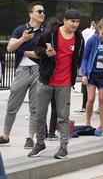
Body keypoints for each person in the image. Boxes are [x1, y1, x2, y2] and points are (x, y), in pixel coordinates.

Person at [28, 9, 84, 159]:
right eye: (72, 21)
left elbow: (79, 58)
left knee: (63, 117)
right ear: (64, 20)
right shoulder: (50, 33)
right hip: (45, 80)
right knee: (39, 115)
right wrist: (45, 54)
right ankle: (39, 144)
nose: (75, 25)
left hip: (64, 83)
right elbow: (37, 48)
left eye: (78, 22)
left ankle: (63, 147)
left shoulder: (79, 38)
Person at [0, 2, 45, 148]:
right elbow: (10, 47)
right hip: (22, 71)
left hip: (38, 71)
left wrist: (23, 51)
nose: (42, 14)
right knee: (12, 105)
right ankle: (5, 135)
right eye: (39, 11)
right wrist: (23, 40)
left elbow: (43, 55)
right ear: (31, 13)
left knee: (35, 107)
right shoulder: (20, 30)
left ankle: (30, 137)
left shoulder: (45, 32)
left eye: (43, 11)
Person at [81, 18, 103, 133]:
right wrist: (84, 73)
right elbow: (85, 57)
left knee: (101, 99)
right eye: (102, 33)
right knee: (90, 99)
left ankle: (101, 125)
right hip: (92, 73)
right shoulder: (92, 40)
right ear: (98, 30)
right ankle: (88, 122)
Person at [78, 20, 96, 113]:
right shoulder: (90, 35)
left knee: (85, 87)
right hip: (88, 62)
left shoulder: (85, 32)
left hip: (87, 62)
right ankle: (85, 106)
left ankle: (84, 106)